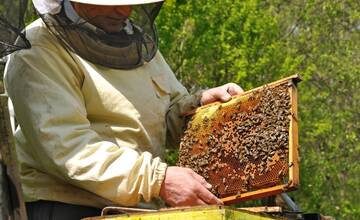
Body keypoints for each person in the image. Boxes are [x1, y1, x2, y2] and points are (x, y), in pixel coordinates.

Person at [4, 0, 243, 219]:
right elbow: (66, 147)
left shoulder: (137, 42)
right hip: (68, 208)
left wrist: (198, 107)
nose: (124, 10)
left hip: (138, 209)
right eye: (112, 2)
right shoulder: (39, 48)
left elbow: (163, 120)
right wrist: (157, 180)